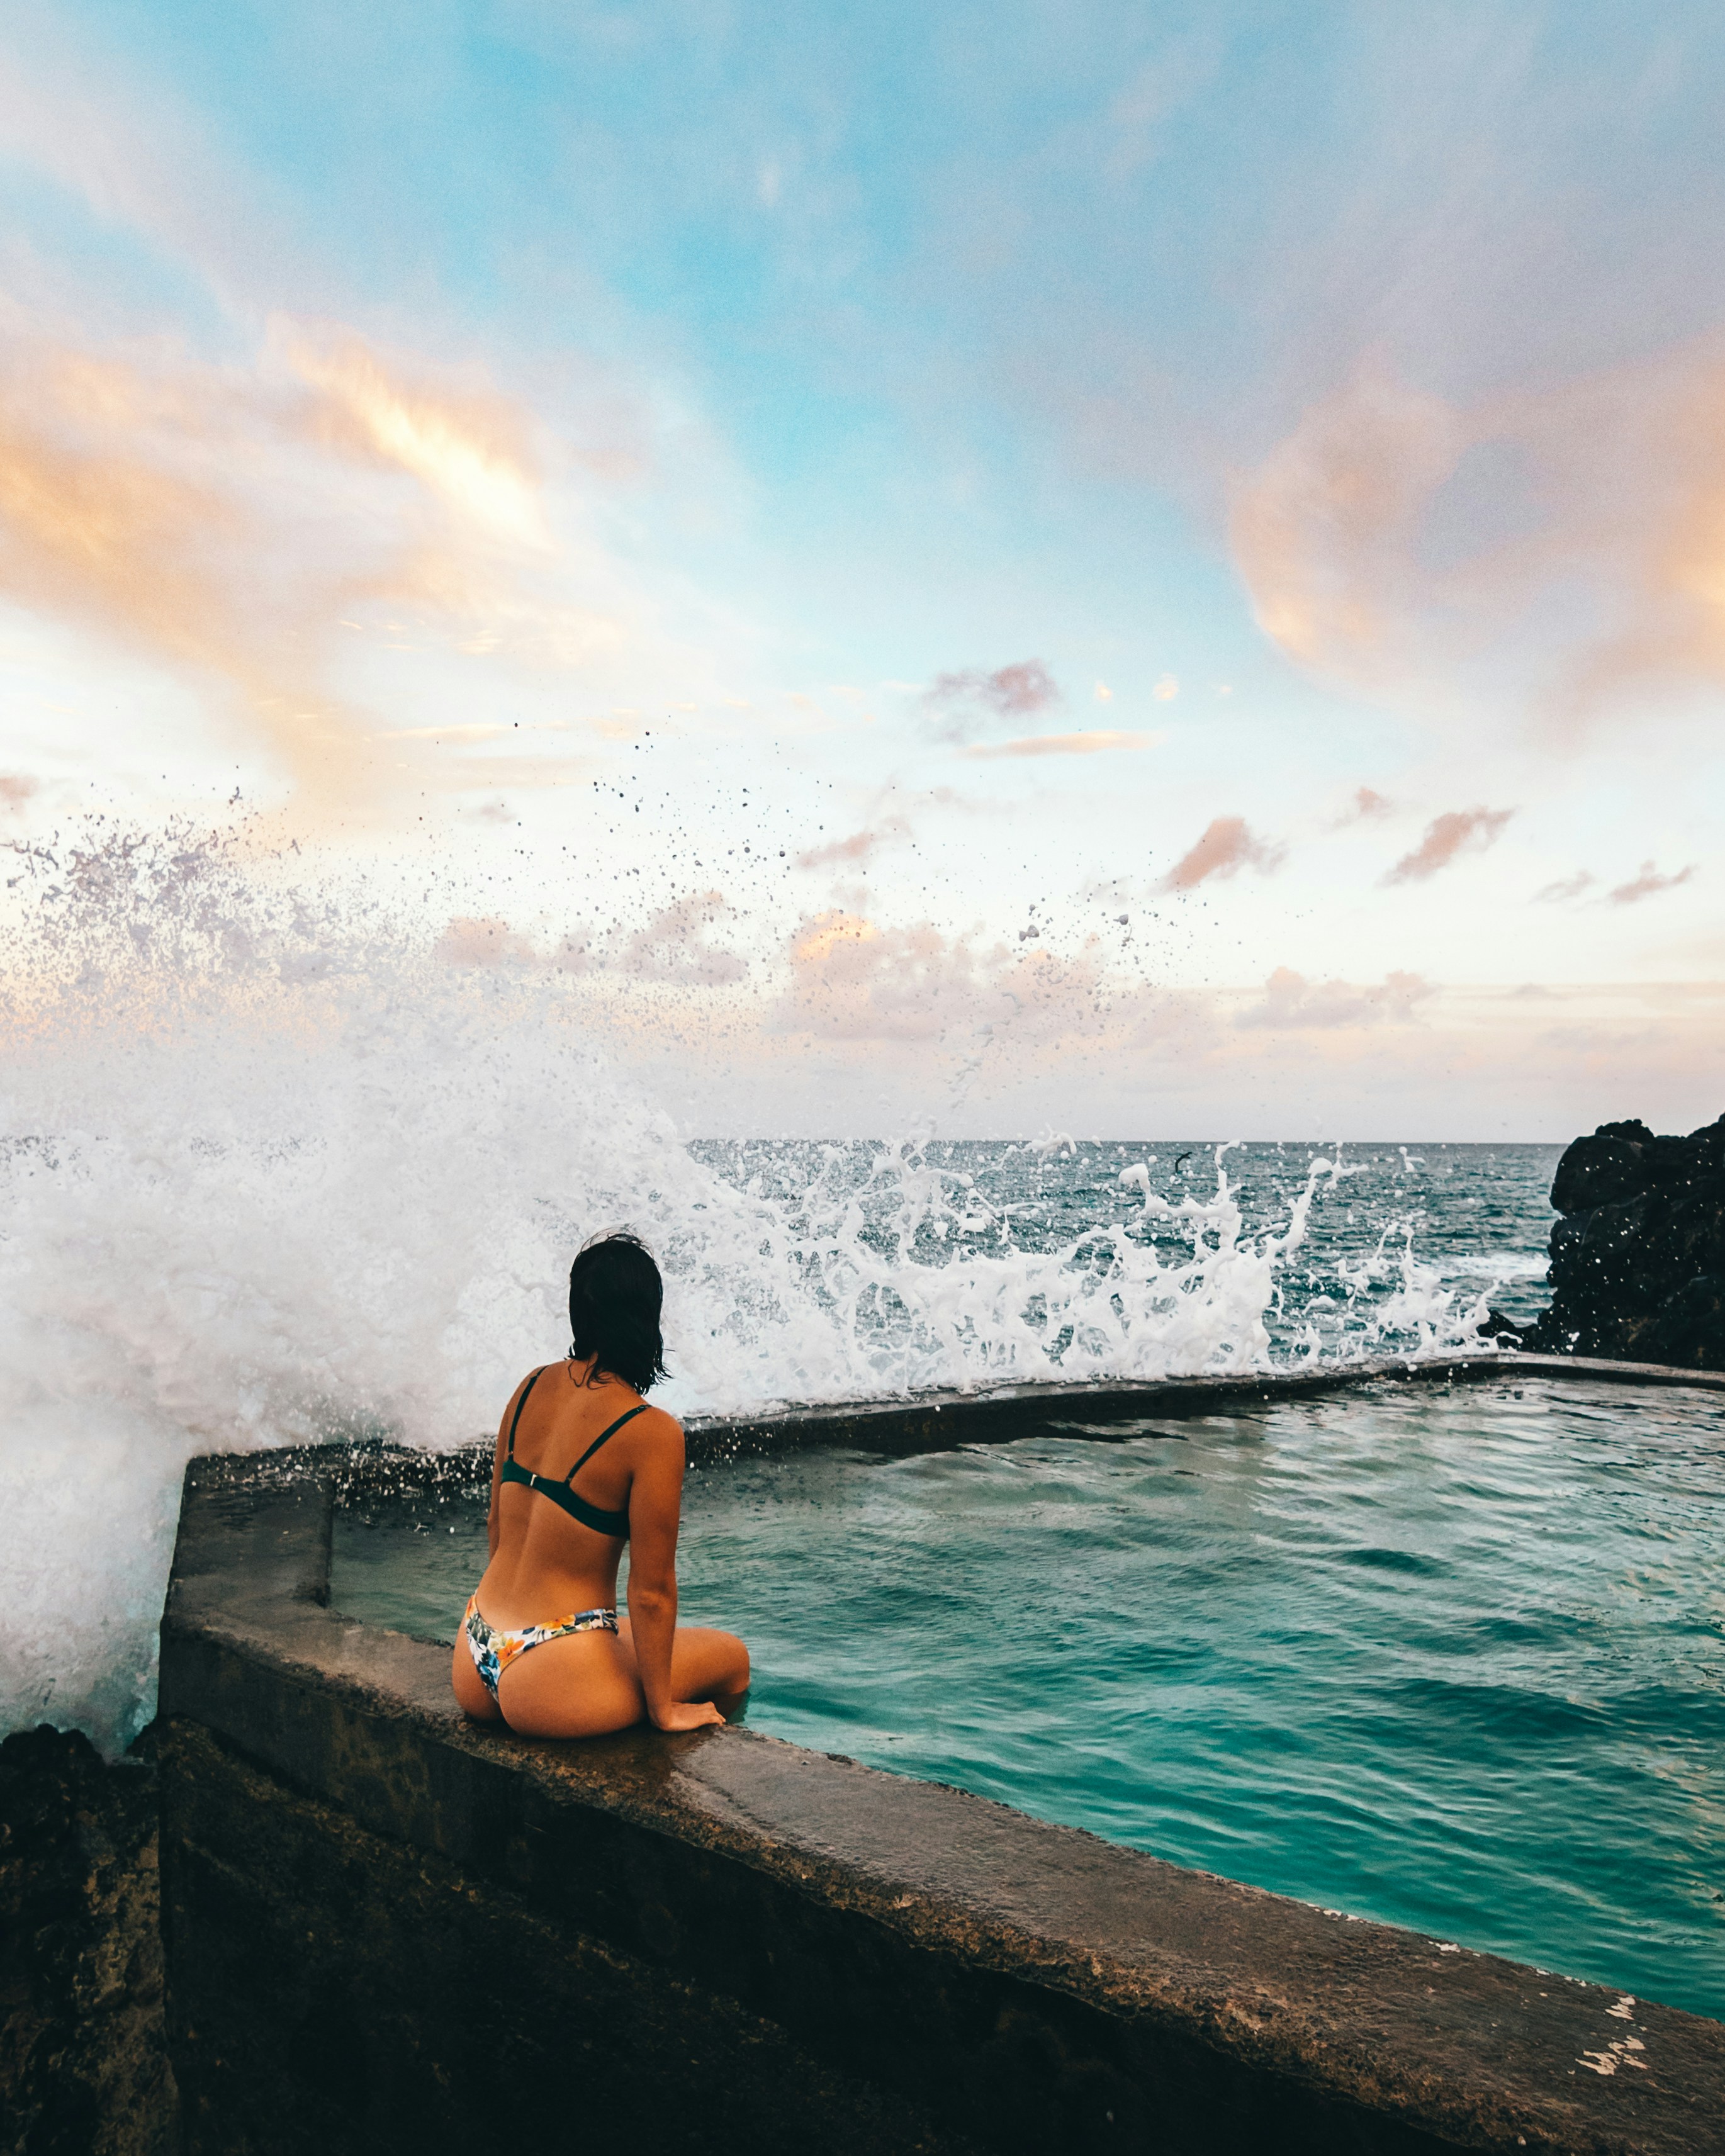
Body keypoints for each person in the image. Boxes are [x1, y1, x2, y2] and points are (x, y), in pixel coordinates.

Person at [451, 1232, 750, 1738]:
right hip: (550, 1683)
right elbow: (652, 1593)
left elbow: (496, 1527)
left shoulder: (528, 1387)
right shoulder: (650, 1430)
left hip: (475, 1646)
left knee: (622, 1633)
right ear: (645, 1318)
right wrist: (664, 1709)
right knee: (733, 1657)